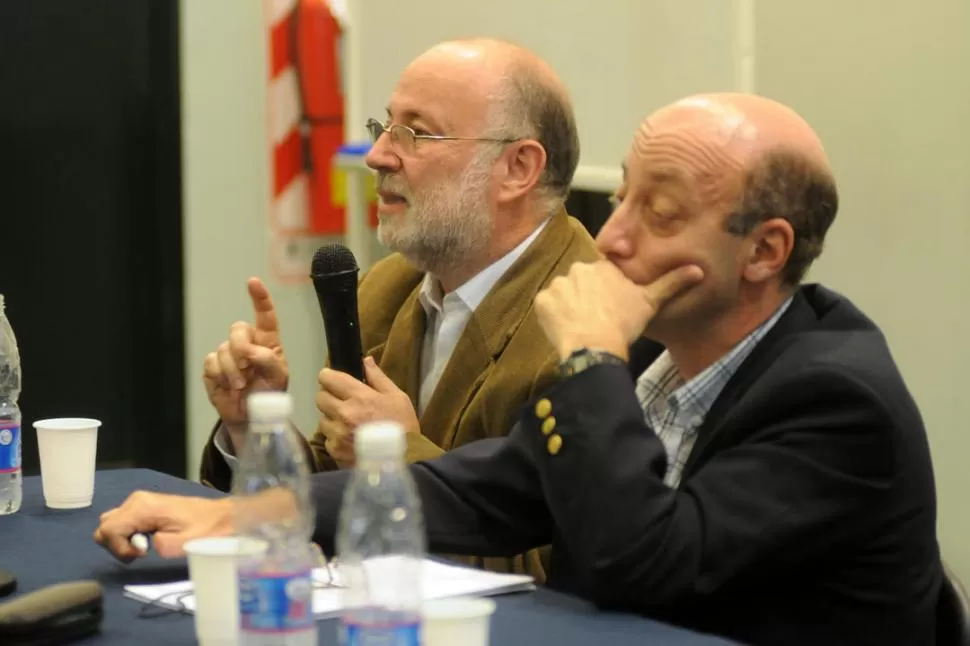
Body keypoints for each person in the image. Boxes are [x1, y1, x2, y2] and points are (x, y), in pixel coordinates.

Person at [96, 92, 942, 645]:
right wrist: (251, 516)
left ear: (765, 251)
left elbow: (638, 564)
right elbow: (485, 487)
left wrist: (586, 361)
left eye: (662, 212)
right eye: (622, 201)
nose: (612, 238)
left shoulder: (833, 398)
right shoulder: (657, 353)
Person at [195, 38, 600, 580]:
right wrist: (255, 429)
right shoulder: (390, 286)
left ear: (518, 168)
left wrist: (395, 458)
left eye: (416, 133)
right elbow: (330, 495)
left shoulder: (589, 327)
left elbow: (560, 579)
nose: (378, 155)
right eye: (384, 127)